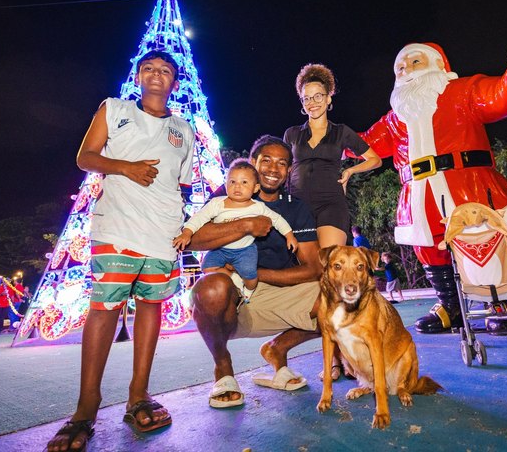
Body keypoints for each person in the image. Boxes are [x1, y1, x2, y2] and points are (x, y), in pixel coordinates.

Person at [355, 0, 507, 333]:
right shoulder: (394, 119)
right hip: (418, 195)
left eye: (414, 62)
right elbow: (360, 146)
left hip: (469, 186)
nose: (406, 70)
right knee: (431, 252)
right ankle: (451, 307)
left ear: (437, 64)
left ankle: (497, 304)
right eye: (400, 67)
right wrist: (320, 137)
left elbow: (504, 96)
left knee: (483, 242)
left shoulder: (462, 91)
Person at [47, 50, 194, 452]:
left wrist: (182, 226)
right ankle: (85, 409)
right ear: (138, 76)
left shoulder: (185, 128)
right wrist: (126, 167)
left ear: (174, 82)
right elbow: (85, 157)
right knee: (105, 309)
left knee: (151, 308)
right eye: (149, 69)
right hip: (117, 226)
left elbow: (182, 183)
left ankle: (138, 396)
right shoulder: (113, 109)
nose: (157, 75)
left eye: (165, 71)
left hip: (163, 233)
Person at [188, 135, 322, 408]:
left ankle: (278, 349)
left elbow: (314, 267)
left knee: (341, 299)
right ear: (252, 162)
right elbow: (190, 239)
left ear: (289, 171)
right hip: (232, 297)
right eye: (266, 160)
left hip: (277, 292)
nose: (274, 169)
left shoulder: (295, 208)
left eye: (282, 163)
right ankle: (223, 367)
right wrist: (245, 225)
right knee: (212, 288)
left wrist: (255, 274)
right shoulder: (224, 198)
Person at [283, 63, 381, 249]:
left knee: (330, 260)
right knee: (308, 268)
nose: (312, 102)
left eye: (318, 96)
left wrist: (350, 171)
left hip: (331, 203)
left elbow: (375, 160)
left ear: (328, 98)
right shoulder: (292, 134)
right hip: (298, 205)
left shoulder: (341, 132)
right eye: (306, 98)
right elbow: (283, 168)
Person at [173, 159, 299, 303]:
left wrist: (289, 236)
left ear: (256, 188)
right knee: (207, 268)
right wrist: (187, 233)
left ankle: (249, 290)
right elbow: (199, 218)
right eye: (232, 181)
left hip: (245, 250)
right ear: (226, 184)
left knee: (250, 277)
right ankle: (234, 278)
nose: (237, 186)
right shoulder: (217, 203)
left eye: (244, 182)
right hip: (220, 249)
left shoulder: (258, 207)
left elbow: (277, 219)